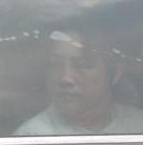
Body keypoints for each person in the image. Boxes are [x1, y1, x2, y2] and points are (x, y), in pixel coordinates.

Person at [15, 28, 143, 135]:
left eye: (81, 65)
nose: (65, 78)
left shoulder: (137, 126)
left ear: (115, 73)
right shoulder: (31, 137)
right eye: (55, 64)